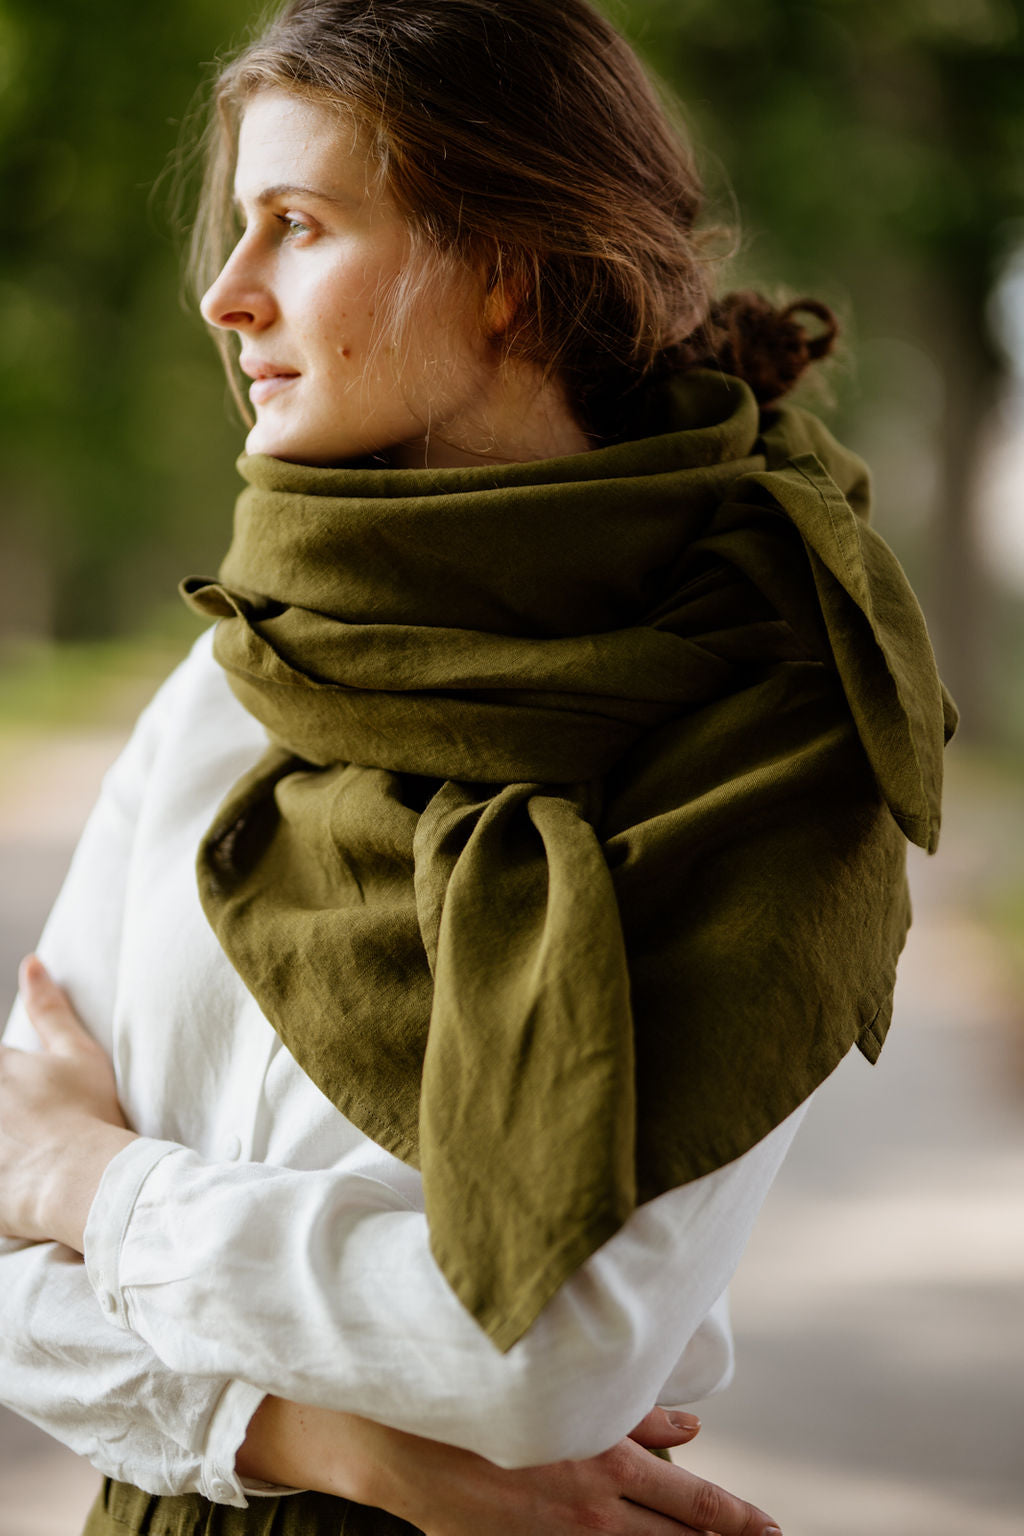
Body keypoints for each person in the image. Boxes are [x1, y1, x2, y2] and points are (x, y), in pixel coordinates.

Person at [0, 1, 956, 1533]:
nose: (225, 295)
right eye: (236, 229)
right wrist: (341, 1445)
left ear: (506, 271)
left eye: (296, 226)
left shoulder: (774, 743)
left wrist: (87, 1189)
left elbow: (539, 1368)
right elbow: (4, 1298)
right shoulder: (232, 682)